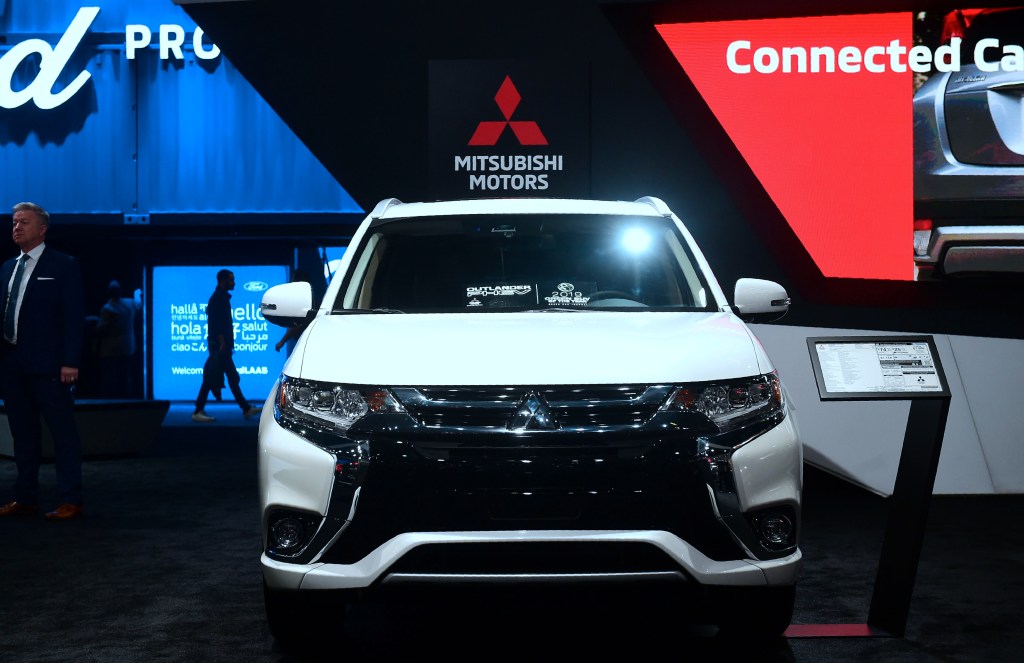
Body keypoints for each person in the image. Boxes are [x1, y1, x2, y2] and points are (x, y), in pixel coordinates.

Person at [0, 202, 86, 520]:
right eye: (14, 222)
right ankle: (25, 496)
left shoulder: (63, 265)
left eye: (24, 222)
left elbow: (73, 317)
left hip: (50, 366)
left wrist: (70, 361)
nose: (17, 227)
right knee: (22, 434)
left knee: (62, 434)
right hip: (12, 364)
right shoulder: (8, 267)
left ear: (42, 229)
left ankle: (71, 498)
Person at [192, 269, 261, 423]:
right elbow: (217, 323)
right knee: (213, 378)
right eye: (231, 279)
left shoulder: (220, 298)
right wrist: (223, 342)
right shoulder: (218, 299)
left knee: (230, 377)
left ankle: (246, 409)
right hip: (219, 347)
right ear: (223, 280)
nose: (234, 282)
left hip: (222, 347)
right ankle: (198, 410)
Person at [94, 279, 142, 399]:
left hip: (110, 350)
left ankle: (109, 401)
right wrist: (137, 292)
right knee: (125, 375)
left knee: (110, 376)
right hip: (127, 347)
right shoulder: (130, 303)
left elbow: (100, 328)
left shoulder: (107, 308)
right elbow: (138, 303)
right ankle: (127, 400)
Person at [274, 269, 313, 354]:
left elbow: (296, 325)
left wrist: (282, 342)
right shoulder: (307, 299)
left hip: (306, 346)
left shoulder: (303, 300)